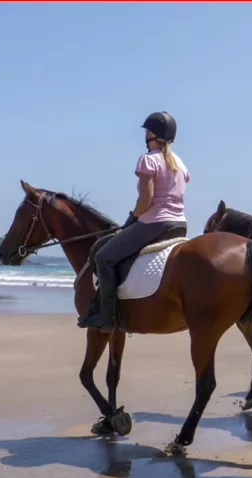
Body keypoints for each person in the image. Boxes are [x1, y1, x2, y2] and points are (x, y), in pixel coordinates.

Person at [78, 111, 190, 332]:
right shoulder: (180, 163)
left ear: (150, 133)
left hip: (155, 223)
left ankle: (107, 316)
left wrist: (133, 217)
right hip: (179, 225)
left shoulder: (148, 160)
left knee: (103, 257)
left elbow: (146, 200)